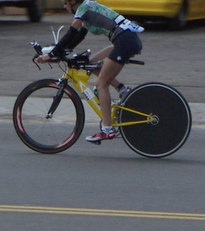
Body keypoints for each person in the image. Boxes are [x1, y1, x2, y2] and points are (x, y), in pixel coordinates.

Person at [36, 0, 143, 143]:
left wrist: (50, 54)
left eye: (66, 3)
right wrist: (60, 53)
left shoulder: (84, 8)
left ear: (73, 2)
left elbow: (71, 32)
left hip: (124, 41)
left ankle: (107, 130)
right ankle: (122, 90)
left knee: (101, 83)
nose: (64, 6)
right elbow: (78, 37)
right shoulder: (87, 9)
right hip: (124, 39)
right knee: (89, 62)